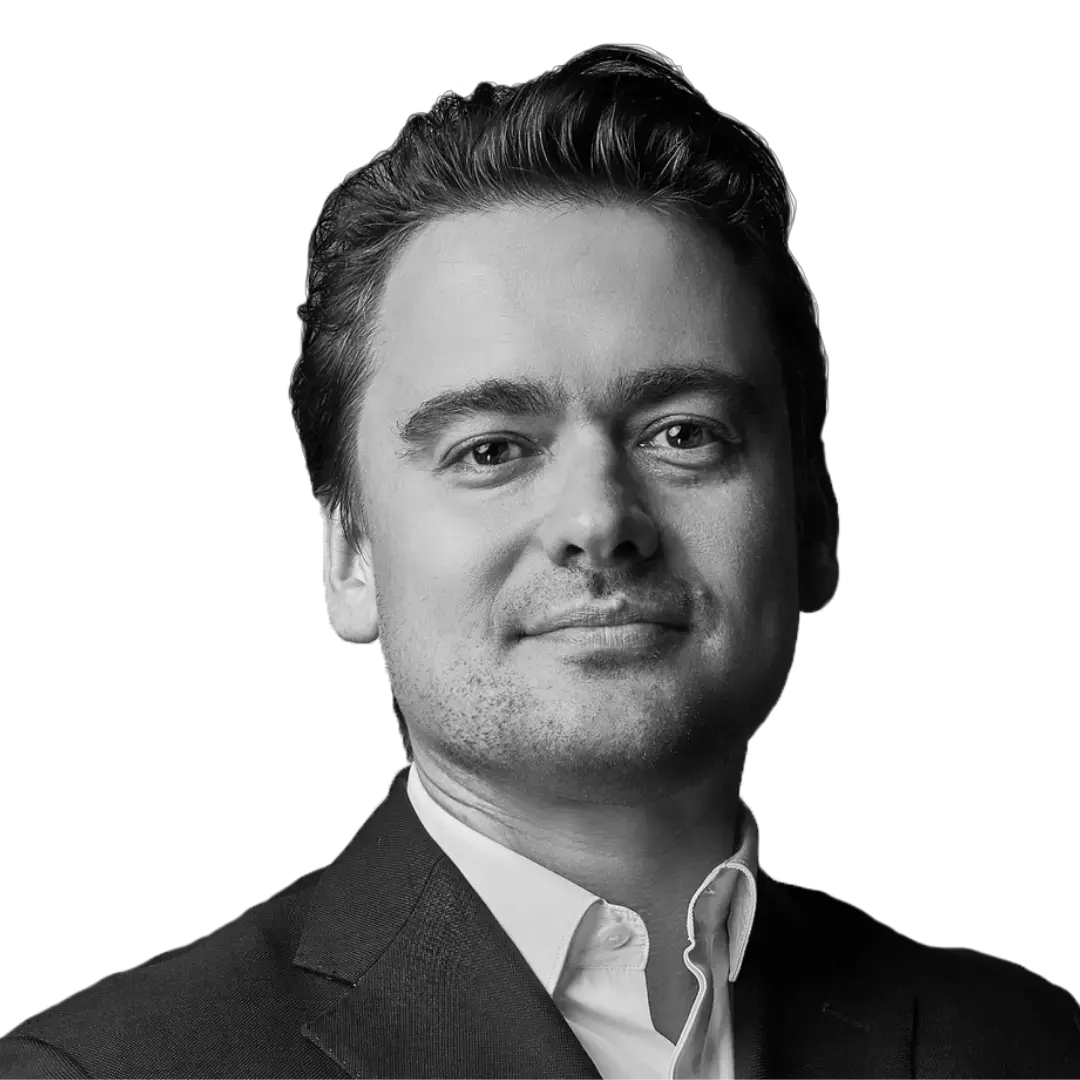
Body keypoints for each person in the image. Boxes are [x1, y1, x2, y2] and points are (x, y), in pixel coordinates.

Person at [3, 42, 1077, 1080]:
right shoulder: (100, 1073)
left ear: (815, 529)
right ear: (350, 556)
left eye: (683, 433)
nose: (600, 521)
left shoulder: (1033, 1048)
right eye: (491, 450)